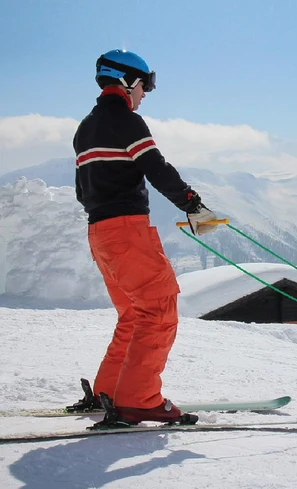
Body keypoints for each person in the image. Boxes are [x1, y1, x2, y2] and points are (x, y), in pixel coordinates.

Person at [71, 49, 218, 425]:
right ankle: (138, 398)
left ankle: (110, 391)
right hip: (127, 231)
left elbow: (81, 191)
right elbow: (155, 167)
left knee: (133, 314)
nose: (146, 93)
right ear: (128, 82)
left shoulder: (85, 128)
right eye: (146, 84)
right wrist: (192, 203)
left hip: (100, 234)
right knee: (159, 310)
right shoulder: (127, 122)